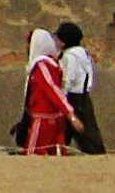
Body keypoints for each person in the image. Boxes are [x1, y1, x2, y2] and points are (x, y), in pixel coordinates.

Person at [20, 27, 75, 155]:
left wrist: (69, 113)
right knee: (57, 153)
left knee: (33, 153)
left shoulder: (41, 66)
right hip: (55, 116)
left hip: (43, 116)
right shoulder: (54, 64)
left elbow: (52, 89)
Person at [56, 21, 104, 155]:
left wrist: (62, 96)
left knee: (85, 131)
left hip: (73, 96)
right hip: (83, 96)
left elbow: (68, 78)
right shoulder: (85, 54)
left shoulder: (69, 57)